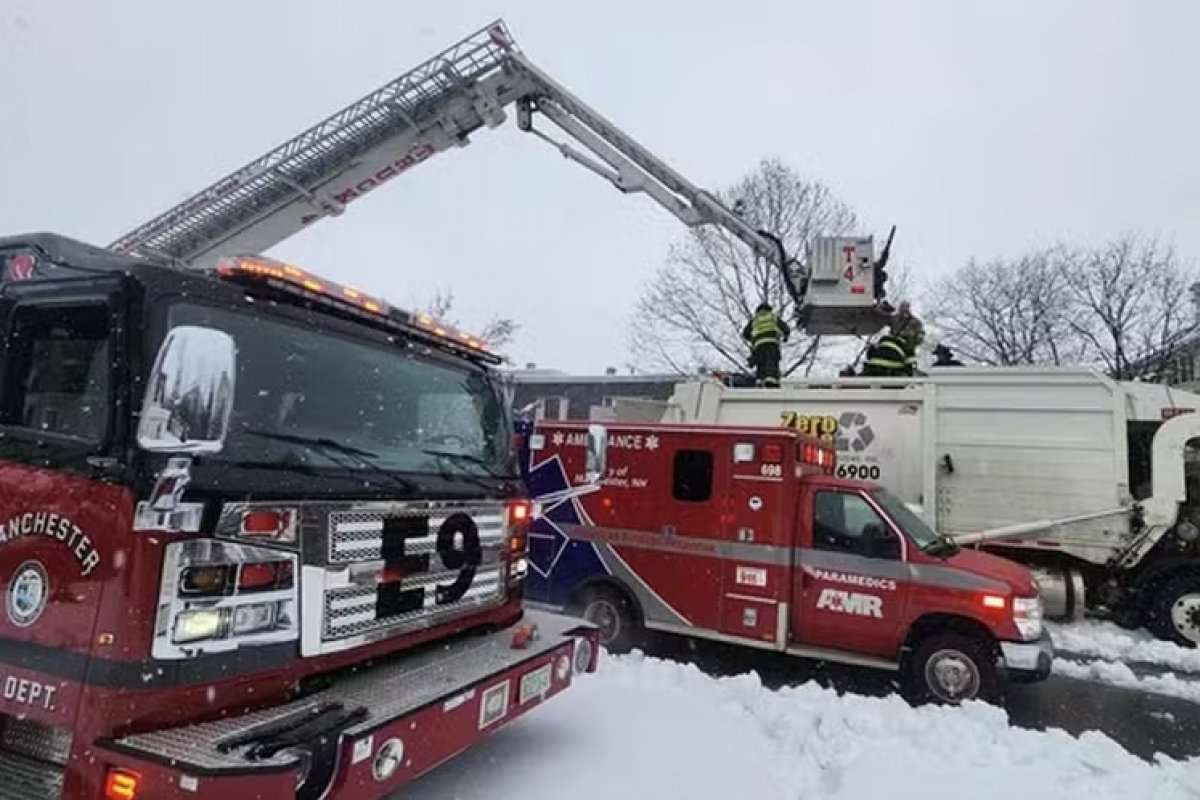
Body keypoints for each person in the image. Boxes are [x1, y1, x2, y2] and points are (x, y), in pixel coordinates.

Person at [742, 301, 790, 388]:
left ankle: (760, 380)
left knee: (760, 363)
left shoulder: (754, 320)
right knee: (770, 361)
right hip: (771, 342)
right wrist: (785, 336)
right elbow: (785, 327)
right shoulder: (773, 317)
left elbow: (745, 334)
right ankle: (771, 381)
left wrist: (753, 339)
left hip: (758, 345)